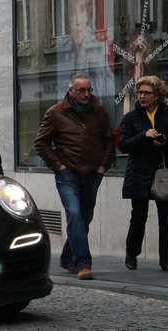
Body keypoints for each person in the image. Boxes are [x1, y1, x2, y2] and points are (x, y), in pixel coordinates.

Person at [34, 73, 114, 280]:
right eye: (81, 90)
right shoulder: (56, 113)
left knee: (85, 217)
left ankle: (67, 256)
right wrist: (59, 166)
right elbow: (41, 143)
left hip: (93, 173)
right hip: (67, 174)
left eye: (89, 90)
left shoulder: (99, 112)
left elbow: (108, 140)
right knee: (75, 214)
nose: (86, 94)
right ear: (71, 90)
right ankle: (83, 264)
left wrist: (103, 167)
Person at [118, 76, 168, 272]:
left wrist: (162, 140)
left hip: (162, 172)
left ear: (157, 96)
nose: (143, 96)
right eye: (140, 92)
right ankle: (131, 254)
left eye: (147, 93)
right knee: (139, 217)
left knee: (166, 218)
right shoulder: (130, 118)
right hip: (139, 172)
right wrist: (144, 137)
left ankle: (166, 260)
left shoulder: (167, 115)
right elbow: (123, 145)